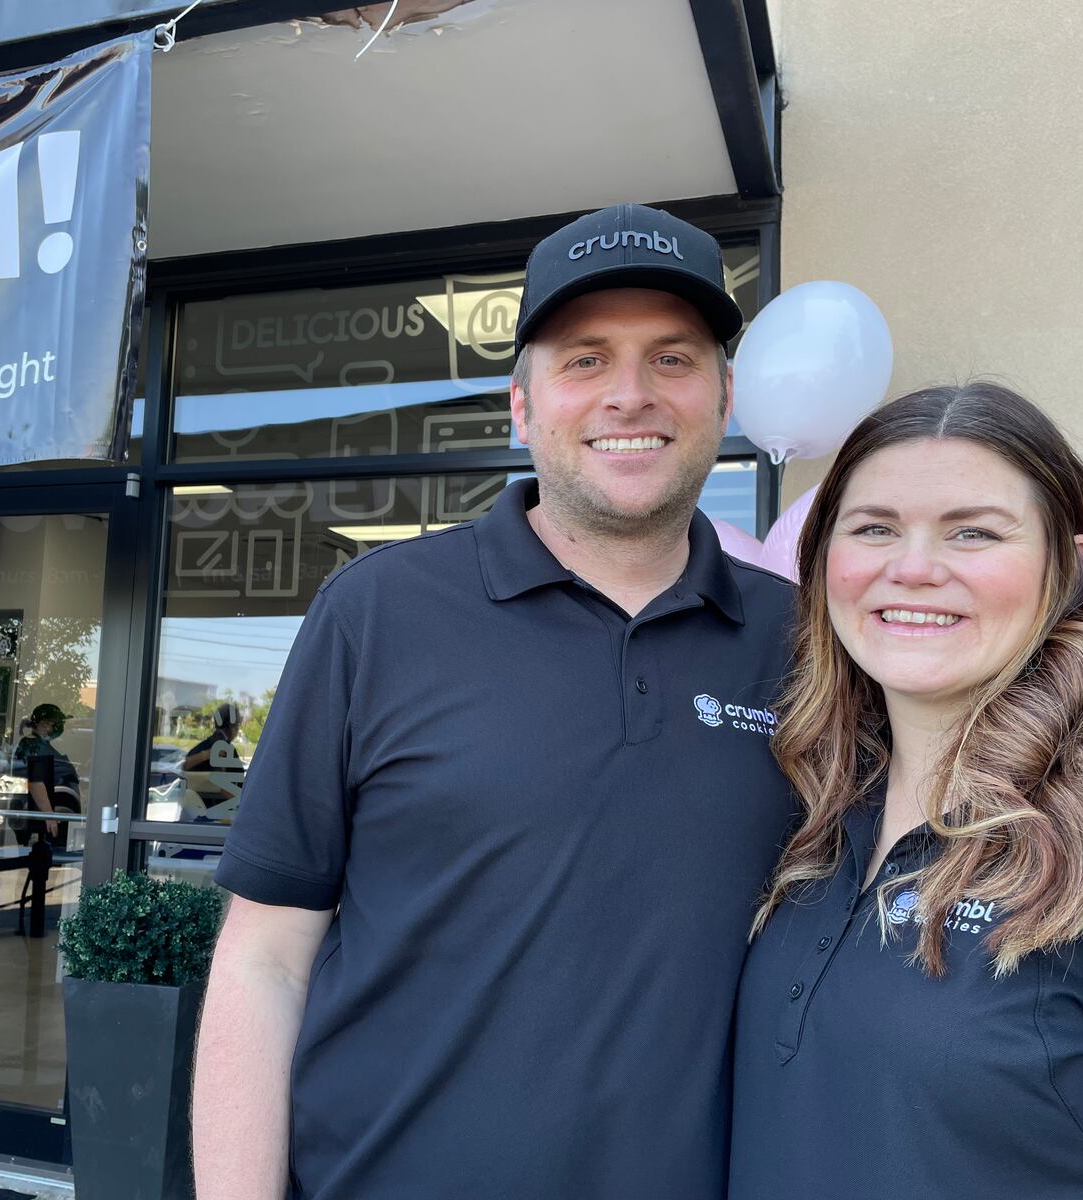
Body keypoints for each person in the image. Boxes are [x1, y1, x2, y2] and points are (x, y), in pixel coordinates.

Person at [192, 204, 797, 1199]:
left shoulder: (800, 640)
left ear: (724, 397)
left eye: (673, 359)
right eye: (585, 359)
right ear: (520, 406)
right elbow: (267, 957)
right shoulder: (376, 613)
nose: (631, 395)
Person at [729, 383, 1083, 1199]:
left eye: (973, 532)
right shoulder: (816, 804)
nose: (913, 569)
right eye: (873, 529)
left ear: (1071, 564)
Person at [12, 702, 80, 847]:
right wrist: (49, 817)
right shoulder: (33, 746)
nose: (57, 727)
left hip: (46, 816)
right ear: (44, 724)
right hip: (41, 821)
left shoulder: (40, 745)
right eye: (53, 723)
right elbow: (36, 782)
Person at [181, 700, 245, 820]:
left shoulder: (204, 747)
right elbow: (228, 788)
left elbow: (185, 765)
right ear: (232, 726)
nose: (237, 730)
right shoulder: (226, 750)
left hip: (193, 817)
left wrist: (205, 755)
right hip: (218, 818)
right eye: (237, 726)